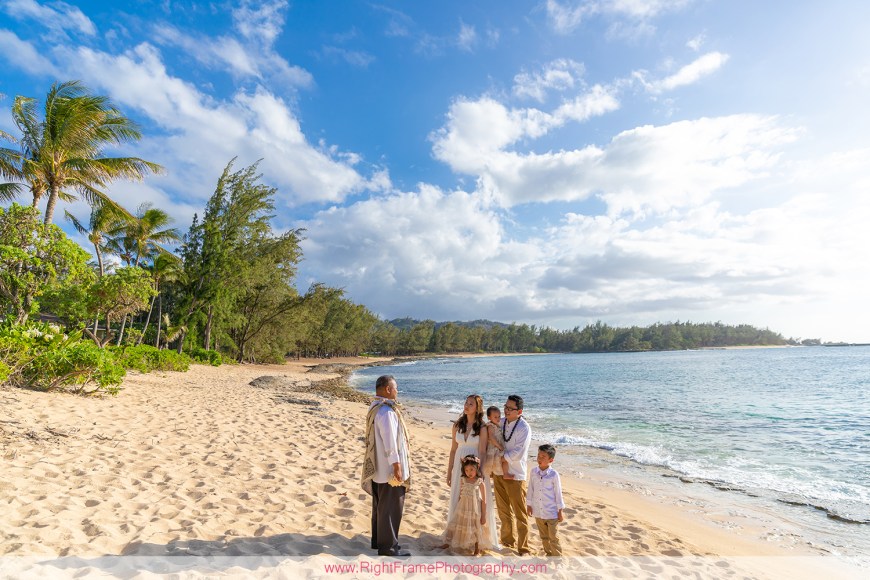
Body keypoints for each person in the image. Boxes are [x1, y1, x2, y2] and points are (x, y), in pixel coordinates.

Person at [361, 375, 411, 557]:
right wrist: (396, 465)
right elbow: (390, 442)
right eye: (395, 388)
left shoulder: (375, 407)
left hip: (378, 469)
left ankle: (379, 542)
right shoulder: (386, 412)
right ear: (388, 389)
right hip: (388, 469)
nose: (397, 391)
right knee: (391, 508)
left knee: (381, 507)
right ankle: (389, 548)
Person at [446, 395, 500, 549]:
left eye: (471, 404)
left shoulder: (481, 427)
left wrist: (480, 472)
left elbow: (482, 451)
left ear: (477, 408)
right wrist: (449, 472)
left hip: (474, 467)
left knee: (476, 502)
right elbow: (452, 450)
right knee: (457, 497)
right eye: (466, 403)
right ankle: (454, 536)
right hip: (458, 465)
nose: (467, 406)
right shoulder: (457, 425)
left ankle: (475, 539)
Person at [493, 394, 532, 555]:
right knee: (503, 510)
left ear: (520, 411)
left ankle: (523, 547)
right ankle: (508, 541)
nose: (506, 410)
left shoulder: (524, 428)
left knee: (520, 514)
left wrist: (502, 457)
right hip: (498, 472)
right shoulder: (501, 423)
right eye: (505, 407)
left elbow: (519, 452)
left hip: (516, 475)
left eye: (510, 408)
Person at [442, 455, 492, 555]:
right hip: (463, 507)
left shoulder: (480, 482)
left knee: (476, 527)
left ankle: (477, 548)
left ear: (477, 468)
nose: (469, 473)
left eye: (471, 470)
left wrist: (483, 515)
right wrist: (458, 508)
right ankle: (450, 543)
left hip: (475, 510)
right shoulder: (463, 480)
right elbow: (461, 495)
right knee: (458, 525)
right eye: (466, 470)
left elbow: (484, 501)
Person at [526, 444, 565, 556]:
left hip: (551, 512)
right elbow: (531, 489)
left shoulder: (554, 474)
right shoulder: (533, 472)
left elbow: (558, 493)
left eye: (543, 457)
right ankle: (549, 554)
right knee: (544, 536)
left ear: (551, 460)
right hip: (538, 511)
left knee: (553, 537)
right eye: (539, 455)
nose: (539, 458)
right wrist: (529, 505)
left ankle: (557, 556)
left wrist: (560, 510)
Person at [483, 406, 504, 479]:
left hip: (497, 446)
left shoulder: (497, 425)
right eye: (495, 417)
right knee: (493, 461)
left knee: (498, 461)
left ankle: (495, 473)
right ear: (489, 417)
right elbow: (492, 437)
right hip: (493, 447)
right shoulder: (491, 426)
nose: (498, 419)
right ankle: (492, 473)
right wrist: (499, 446)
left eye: (499, 416)